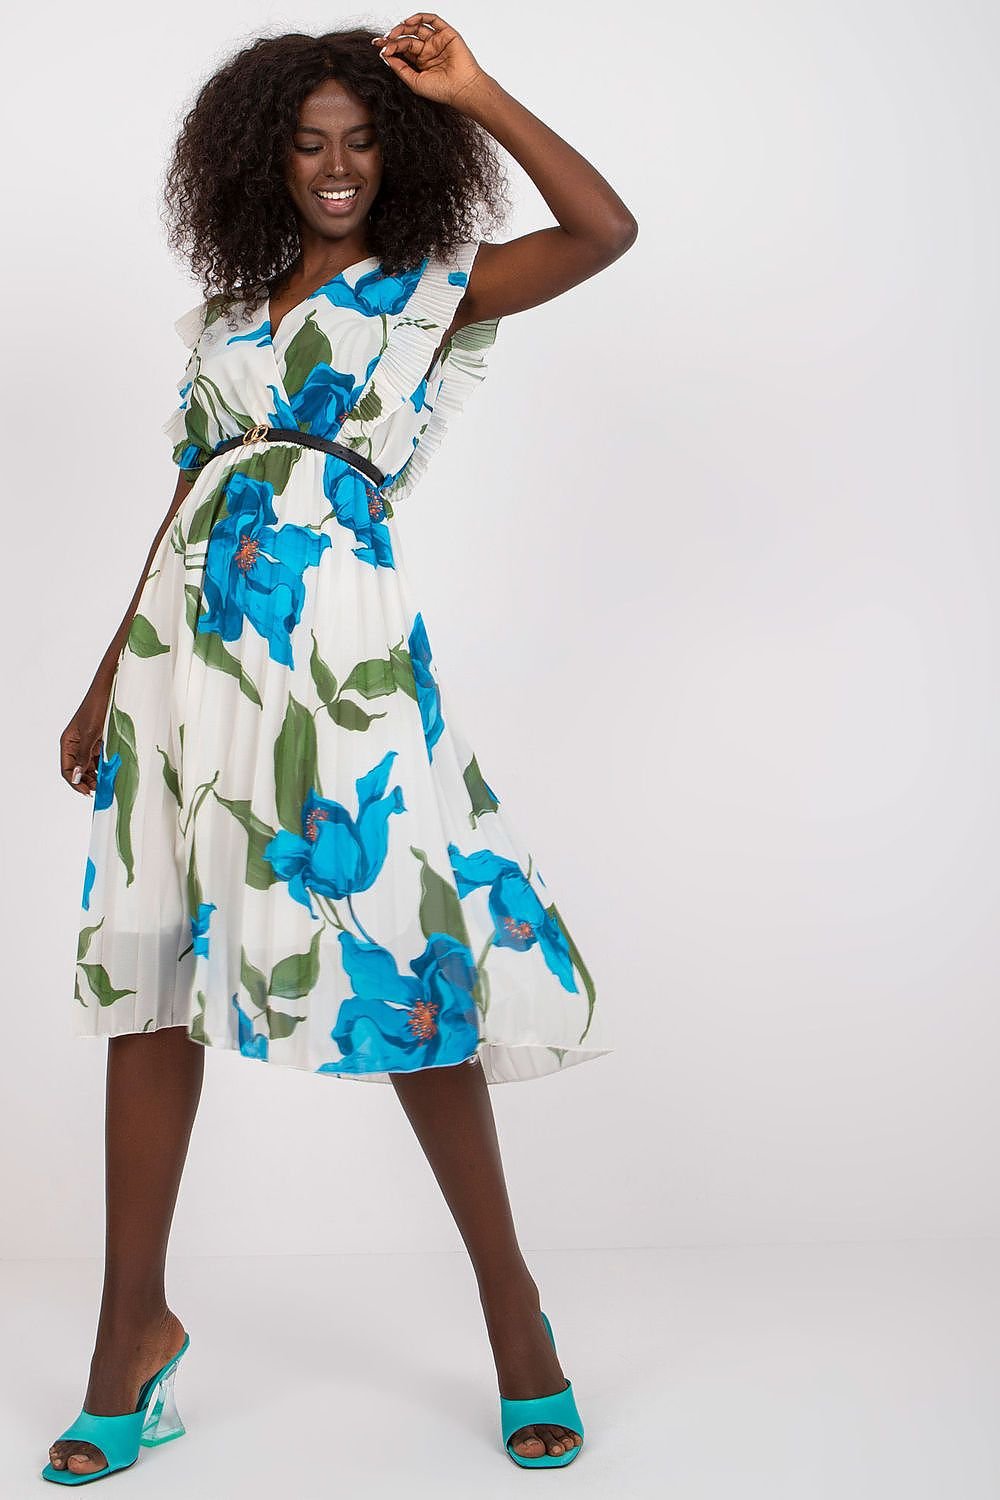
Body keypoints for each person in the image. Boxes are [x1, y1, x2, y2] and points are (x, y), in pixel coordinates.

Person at [48, 13, 637, 1484]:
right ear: (262, 159)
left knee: (401, 963)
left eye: (363, 140)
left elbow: (605, 231)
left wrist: (477, 89)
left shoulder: (433, 292)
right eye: (309, 142)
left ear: (400, 155)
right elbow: (186, 501)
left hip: (337, 660)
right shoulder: (223, 323)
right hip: (185, 670)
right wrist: (105, 677)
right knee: (152, 969)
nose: (335, 165)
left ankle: (517, 1324)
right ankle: (129, 1334)